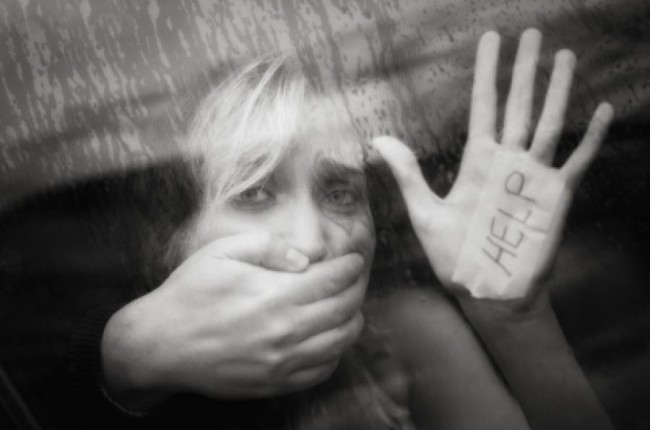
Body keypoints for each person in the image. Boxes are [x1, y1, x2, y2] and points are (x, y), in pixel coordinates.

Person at [80, 28, 614, 429]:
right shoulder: (133, 374)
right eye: (254, 192)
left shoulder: (403, 337)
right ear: (170, 241)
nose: (312, 243)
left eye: (339, 194)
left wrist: (514, 318)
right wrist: (124, 366)